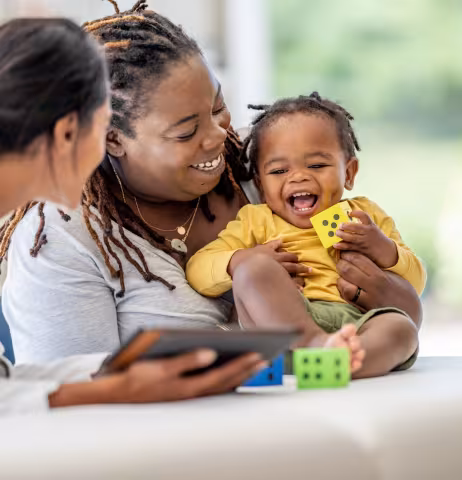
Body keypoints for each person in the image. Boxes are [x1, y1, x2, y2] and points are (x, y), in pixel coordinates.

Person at [1, 1, 422, 367]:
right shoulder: (62, 239)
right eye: (186, 132)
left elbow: (404, 314)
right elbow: (73, 403)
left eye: (218, 107)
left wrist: (385, 285)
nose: (219, 135)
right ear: (112, 138)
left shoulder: (270, 171)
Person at [0, 17, 265, 414]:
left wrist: (120, 380)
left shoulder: (262, 167)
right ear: (72, 132)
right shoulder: (58, 233)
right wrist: (116, 389)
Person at [187, 93, 426, 378]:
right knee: (253, 270)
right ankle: (315, 346)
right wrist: (241, 260)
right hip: (287, 326)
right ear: (262, 185)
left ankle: (339, 364)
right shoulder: (257, 220)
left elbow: (415, 281)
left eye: (316, 166)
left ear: (348, 173)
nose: (298, 177)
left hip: (359, 324)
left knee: (401, 328)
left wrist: (383, 248)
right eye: (279, 170)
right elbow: (198, 270)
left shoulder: (363, 215)